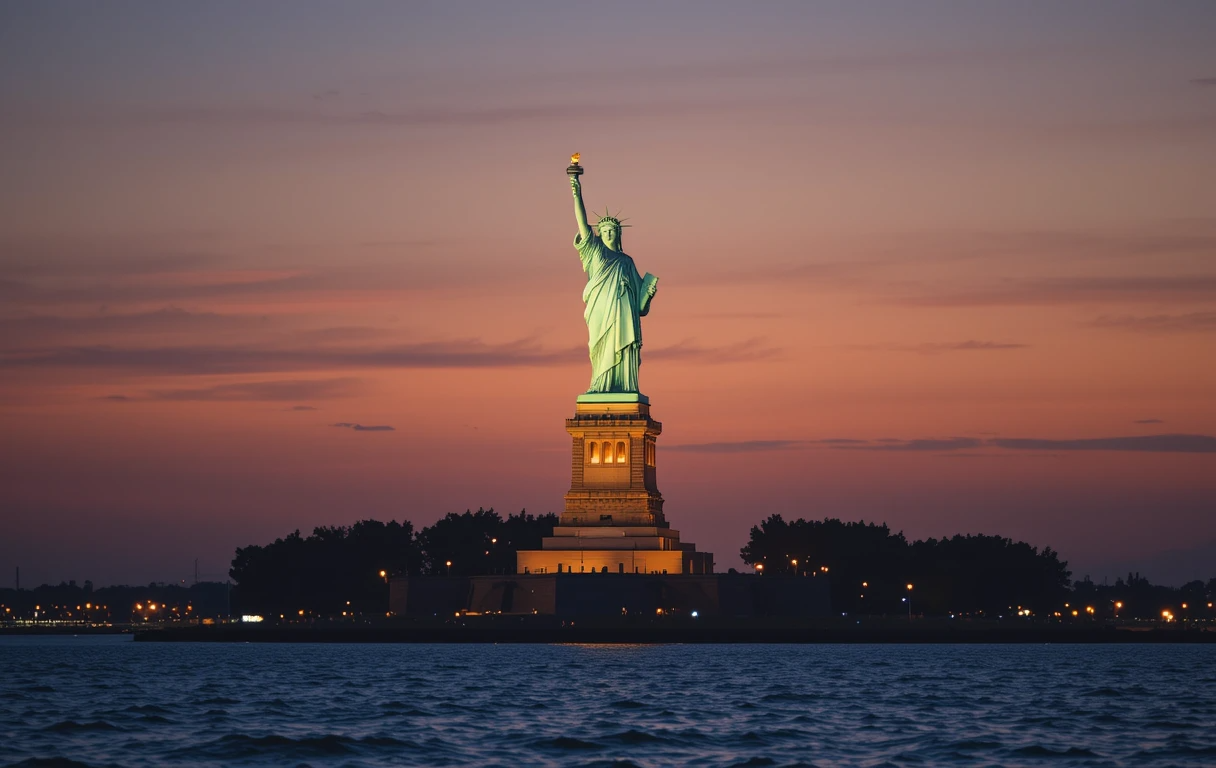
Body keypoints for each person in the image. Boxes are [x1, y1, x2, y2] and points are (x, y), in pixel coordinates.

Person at [570, 174, 658, 394]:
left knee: (625, 347)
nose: (609, 234)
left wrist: (648, 293)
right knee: (600, 348)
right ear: (600, 234)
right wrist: (576, 192)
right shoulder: (595, 252)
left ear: (619, 234)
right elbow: (582, 223)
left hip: (625, 314)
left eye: (613, 231)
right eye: (605, 231)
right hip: (601, 311)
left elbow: (640, 307)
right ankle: (600, 385)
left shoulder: (627, 262)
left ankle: (625, 386)